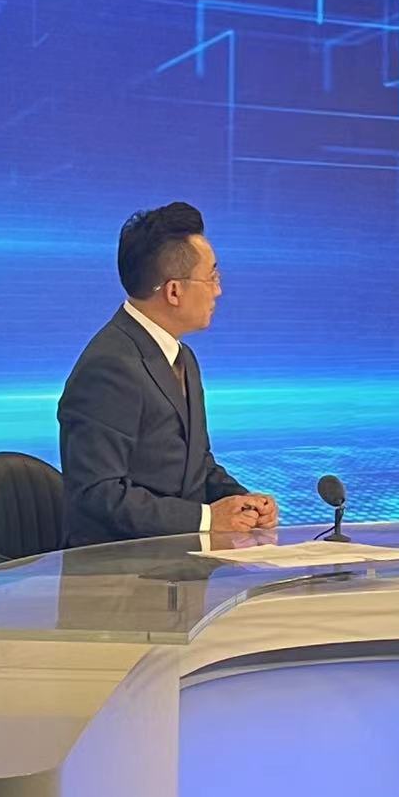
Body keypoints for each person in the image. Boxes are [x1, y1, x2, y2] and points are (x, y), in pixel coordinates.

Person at [58, 202, 278, 547]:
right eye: (212, 277)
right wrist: (207, 519)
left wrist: (242, 503)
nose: (218, 290)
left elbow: (196, 466)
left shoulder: (181, 357)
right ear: (174, 291)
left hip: (179, 561)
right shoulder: (111, 366)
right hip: (122, 569)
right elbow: (98, 492)